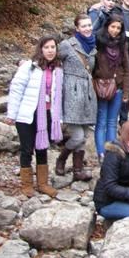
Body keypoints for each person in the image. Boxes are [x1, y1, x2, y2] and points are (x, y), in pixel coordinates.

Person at [6, 36, 63, 197]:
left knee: (42, 148)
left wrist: (59, 117)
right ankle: (27, 184)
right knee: (26, 149)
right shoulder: (30, 67)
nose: (50, 51)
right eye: (46, 47)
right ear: (40, 49)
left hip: (47, 114)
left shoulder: (58, 70)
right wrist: (12, 114)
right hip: (27, 114)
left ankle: (43, 183)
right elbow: (16, 89)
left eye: (53, 47)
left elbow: (58, 95)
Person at [56, 14, 97, 181]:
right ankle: (61, 158)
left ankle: (77, 171)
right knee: (77, 136)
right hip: (72, 93)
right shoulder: (67, 45)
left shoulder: (93, 46)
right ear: (77, 28)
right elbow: (52, 58)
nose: (87, 28)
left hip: (87, 94)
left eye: (89, 25)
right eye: (84, 26)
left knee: (84, 136)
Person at [94, 15, 129, 162]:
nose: (115, 30)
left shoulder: (122, 44)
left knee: (112, 121)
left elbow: (127, 69)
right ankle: (101, 152)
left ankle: (111, 153)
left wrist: (127, 92)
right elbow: (92, 66)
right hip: (102, 87)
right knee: (101, 121)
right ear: (107, 26)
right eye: (113, 27)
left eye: (118, 28)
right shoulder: (98, 42)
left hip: (118, 86)